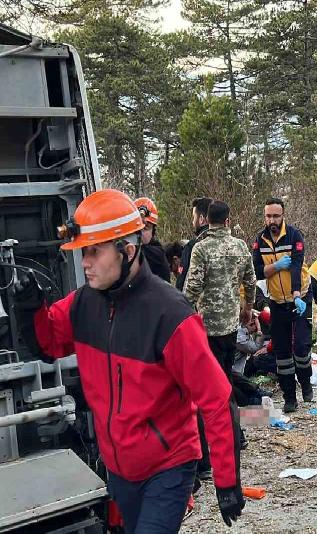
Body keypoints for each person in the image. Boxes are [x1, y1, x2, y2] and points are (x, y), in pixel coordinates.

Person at [12, 189, 243, 531]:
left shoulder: (170, 315)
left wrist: (226, 481)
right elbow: (48, 345)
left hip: (168, 468)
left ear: (128, 250)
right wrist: (30, 306)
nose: (84, 262)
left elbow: (217, 399)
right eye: (82, 252)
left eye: (93, 251)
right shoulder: (83, 305)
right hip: (120, 471)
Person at [183, 200, 257, 382]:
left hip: (207, 326)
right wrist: (248, 308)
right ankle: (229, 408)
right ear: (227, 221)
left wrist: (182, 312)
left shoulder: (200, 248)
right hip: (231, 324)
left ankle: (219, 409)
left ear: (207, 219)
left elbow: (193, 286)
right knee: (227, 373)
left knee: (210, 378)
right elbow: (250, 281)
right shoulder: (240, 246)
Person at [252, 198, 313, 413]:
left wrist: (297, 294)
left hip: (300, 297)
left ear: (283, 215)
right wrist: (276, 266)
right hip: (277, 301)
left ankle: (306, 382)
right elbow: (257, 270)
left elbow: (296, 266)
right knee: (283, 352)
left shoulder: (295, 235)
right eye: (268, 216)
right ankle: (289, 398)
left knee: (301, 348)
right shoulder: (260, 240)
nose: (272, 220)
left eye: (276, 216)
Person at [176, 197, 212, 291]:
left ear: (201, 219)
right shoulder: (234, 245)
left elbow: (183, 281)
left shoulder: (193, 246)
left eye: (193, 217)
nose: (193, 222)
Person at [134, 197, 171, 283]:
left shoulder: (155, 254)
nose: (140, 233)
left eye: (146, 228)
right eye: (137, 228)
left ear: (153, 231)